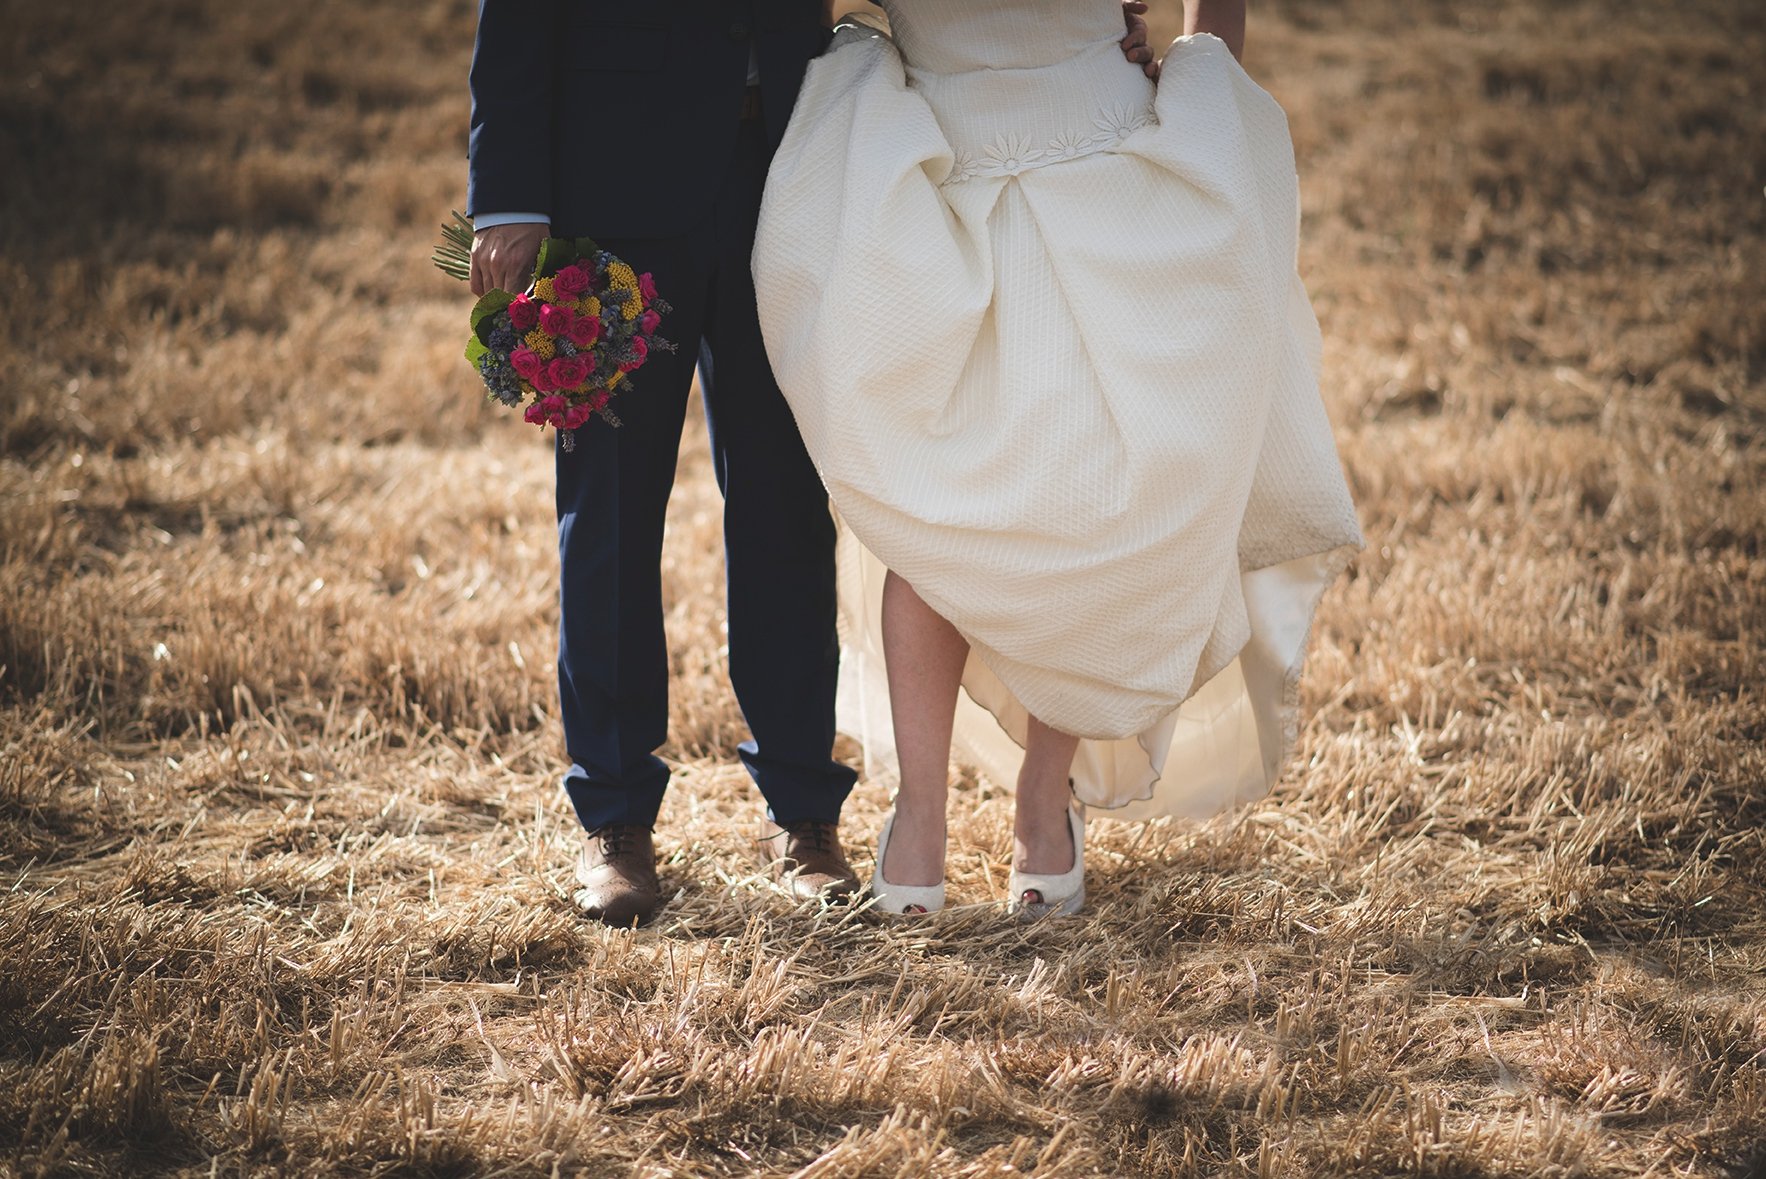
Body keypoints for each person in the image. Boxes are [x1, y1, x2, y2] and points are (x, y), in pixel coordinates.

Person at [465, 1, 1164, 926]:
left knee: (789, 500)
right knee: (610, 516)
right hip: (615, 180)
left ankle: (804, 814)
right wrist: (510, 197)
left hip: (800, 164)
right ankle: (616, 819)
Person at [751, 0, 1364, 916]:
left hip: (1107, 176)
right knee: (939, 517)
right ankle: (920, 813)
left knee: (1090, 508)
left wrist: (1197, 64)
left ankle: (1045, 798)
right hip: (941, 190)